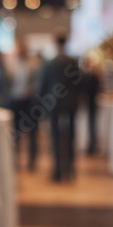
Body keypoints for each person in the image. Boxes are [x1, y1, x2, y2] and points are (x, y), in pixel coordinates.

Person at [38, 36, 81, 182]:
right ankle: (70, 169)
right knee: (70, 137)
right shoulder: (73, 61)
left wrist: (41, 102)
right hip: (71, 104)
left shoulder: (50, 63)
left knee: (55, 137)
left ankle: (57, 170)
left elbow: (43, 85)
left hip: (54, 103)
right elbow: (79, 83)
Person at [8, 43, 40, 172]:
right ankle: (15, 160)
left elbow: (37, 83)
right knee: (16, 132)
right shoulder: (11, 66)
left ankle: (32, 161)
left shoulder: (33, 64)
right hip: (16, 101)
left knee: (33, 133)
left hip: (30, 102)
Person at [82, 57, 101, 155]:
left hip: (92, 103)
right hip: (85, 103)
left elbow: (97, 88)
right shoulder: (83, 75)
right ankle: (86, 144)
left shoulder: (94, 75)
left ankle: (92, 145)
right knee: (86, 124)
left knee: (92, 124)